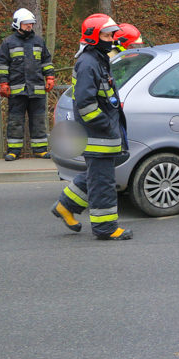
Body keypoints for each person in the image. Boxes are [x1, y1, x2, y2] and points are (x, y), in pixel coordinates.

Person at [50, 14, 132, 241]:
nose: (111, 39)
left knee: (96, 176)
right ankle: (106, 228)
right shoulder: (88, 63)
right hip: (98, 136)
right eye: (106, 35)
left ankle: (65, 206)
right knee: (103, 182)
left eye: (111, 35)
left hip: (101, 135)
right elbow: (86, 105)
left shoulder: (97, 59)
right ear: (94, 38)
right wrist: (105, 125)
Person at [0, 9, 55, 161]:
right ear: (17, 24)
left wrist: (49, 77)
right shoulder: (8, 43)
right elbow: (2, 64)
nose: (29, 26)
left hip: (37, 89)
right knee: (15, 121)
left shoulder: (39, 41)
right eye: (26, 23)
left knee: (39, 120)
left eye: (31, 24)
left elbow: (46, 61)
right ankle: (13, 151)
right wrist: (3, 82)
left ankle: (40, 150)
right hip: (17, 90)